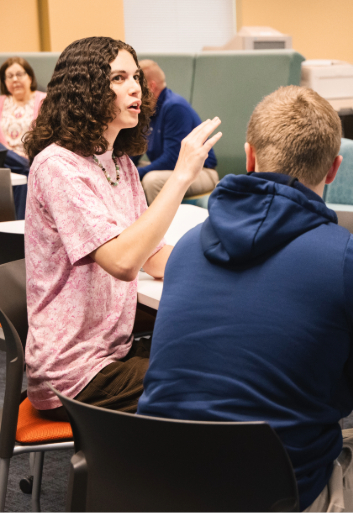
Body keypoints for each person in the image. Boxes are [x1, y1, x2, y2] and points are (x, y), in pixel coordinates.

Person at [137, 85, 353, 512]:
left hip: (156, 485)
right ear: (334, 169)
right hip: (274, 496)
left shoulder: (189, 247)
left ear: (249, 157)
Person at [22, 36, 221, 416]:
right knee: (208, 384)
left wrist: (224, 270)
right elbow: (124, 261)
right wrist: (180, 177)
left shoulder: (118, 163)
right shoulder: (57, 167)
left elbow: (151, 256)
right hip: (71, 372)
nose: (134, 87)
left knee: (220, 355)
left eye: (135, 78)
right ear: (85, 91)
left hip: (112, 350)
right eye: (118, 78)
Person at [131, 59, 218, 205]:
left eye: (136, 87)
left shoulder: (174, 107)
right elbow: (136, 150)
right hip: (174, 170)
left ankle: (157, 227)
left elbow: (172, 160)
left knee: (151, 180)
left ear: (151, 87)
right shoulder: (147, 110)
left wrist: (134, 174)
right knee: (126, 170)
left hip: (200, 171)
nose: (132, 92)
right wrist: (124, 170)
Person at [1, 57, 46, 219]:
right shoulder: (1, 102)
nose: (15, 79)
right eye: (9, 76)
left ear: (30, 77)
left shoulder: (44, 101)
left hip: (32, 159)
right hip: (5, 161)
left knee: (25, 173)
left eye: (19, 74)